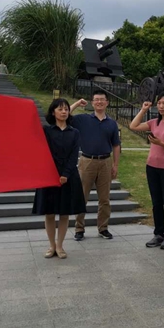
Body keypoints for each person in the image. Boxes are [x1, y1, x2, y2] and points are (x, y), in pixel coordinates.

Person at [32, 98, 87, 259]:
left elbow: (74, 155)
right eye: (60, 109)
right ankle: (51, 246)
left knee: (64, 213)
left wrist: (65, 174)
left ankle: (60, 246)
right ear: (53, 112)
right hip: (49, 176)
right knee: (49, 213)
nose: (64, 112)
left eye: (66, 109)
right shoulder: (46, 131)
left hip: (68, 176)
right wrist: (53, 173)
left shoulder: (74, 132)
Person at [130, 93, 164, 250]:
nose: (161, 106)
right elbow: (133, 126)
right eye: (159, 103)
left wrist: (161, 143)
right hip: (152, 167)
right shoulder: (154, 122)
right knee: (156, 202)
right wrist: (143, 110)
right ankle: (158, 233)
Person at [70, 90, 121, 241]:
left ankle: (103, 228)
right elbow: (65, 116)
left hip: (105, 162)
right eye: (96, 100)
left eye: (102, 99)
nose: (99, 102)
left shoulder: (111, 123)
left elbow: (116, 145)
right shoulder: (83, 119)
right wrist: (77, 103)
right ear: (92, 103)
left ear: (107, 103)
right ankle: (79, 228)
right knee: (82, 197)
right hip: (87, 161)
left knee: (104, 199)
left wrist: (115, 165)